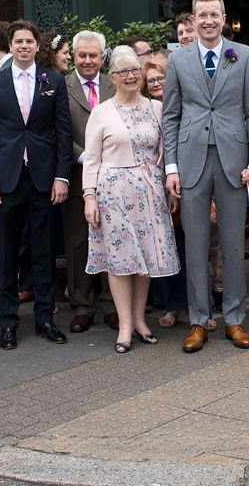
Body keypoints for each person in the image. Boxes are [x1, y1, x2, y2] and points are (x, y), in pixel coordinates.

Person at [161, 0, 249, 354]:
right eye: (201, 15)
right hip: (190, 159)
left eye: (214, 15)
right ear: (192, 19)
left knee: (234, 242)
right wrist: (170, 166)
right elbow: (170, 115)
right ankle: (197, 319)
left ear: (224, 19)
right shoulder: (178, 60)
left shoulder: (246, 56)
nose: (207, 21)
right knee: (195, 243)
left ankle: (234, 319)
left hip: (233, 159)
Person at [0, 20, 73, 351]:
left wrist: (62, 176)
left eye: (29, 41)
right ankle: (7, 322)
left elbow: (63, 133)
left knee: (44, 250)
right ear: (12, 45)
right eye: (18, 41)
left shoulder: (53, 81)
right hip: (5, 180)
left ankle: (45, 319)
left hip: (44, 179)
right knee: (6, 253)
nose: (23, 46)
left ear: (36, 46)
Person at [83, 47, 180, 353]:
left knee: (146, 259)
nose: (130, 77)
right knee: (121, 260)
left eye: (135, 70)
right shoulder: (102, 112)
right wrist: (89, 197)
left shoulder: (156, 108)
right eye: (123, 72)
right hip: (112, 194)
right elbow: (91, 161)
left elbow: (167, 154)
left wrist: (167, 186)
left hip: (149, 193)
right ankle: (124, 324)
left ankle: (139, 320)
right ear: (111, 77)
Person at [63, 30, 118, 334]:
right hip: (76, 175)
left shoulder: (113, 83)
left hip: (113, 178)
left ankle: (112, 305)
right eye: (82, 55)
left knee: (112, 242)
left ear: (102, 57)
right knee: (78, 244)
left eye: (93, 55)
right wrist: (86, 158)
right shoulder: (61, 85)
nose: (87, 60)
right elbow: (56, 130)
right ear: (74, 56)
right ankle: (83, 307)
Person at [143, 56, 187, 329]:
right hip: (151, 186)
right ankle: (171, 307)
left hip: (181, 183)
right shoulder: (145, 109)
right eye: (151, 80)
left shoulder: (181, 105)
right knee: (160, 248)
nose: (157, 83)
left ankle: (195, 305)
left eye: (160, 77)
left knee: (186, 247)